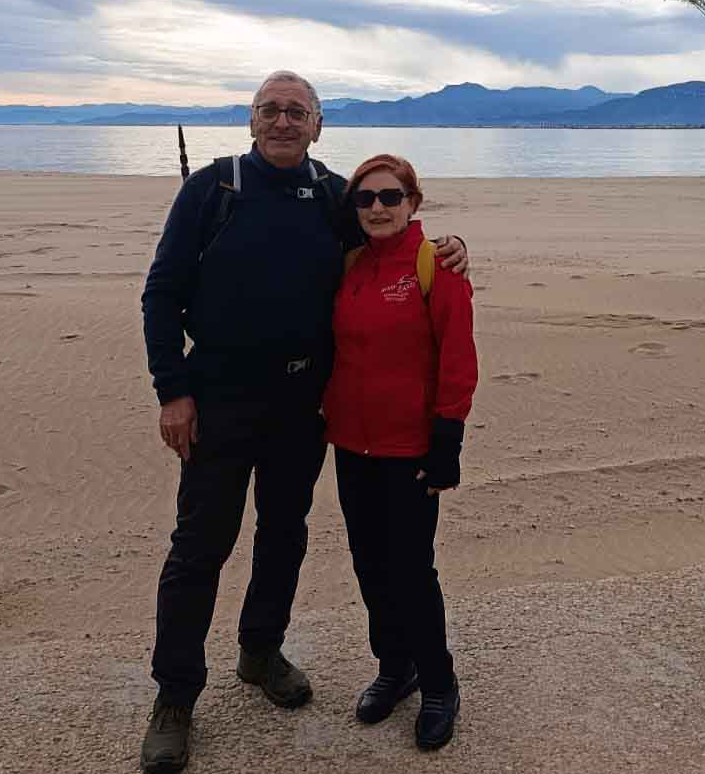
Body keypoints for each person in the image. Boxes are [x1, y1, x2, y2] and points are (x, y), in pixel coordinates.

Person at [138, 74, 467, 774]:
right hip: (219, 399)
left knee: (284, 533)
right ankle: (175, 697)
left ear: (318, 125)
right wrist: (173, 391)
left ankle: (260, 650)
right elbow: (162, 292)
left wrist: (450, 248)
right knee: (200, 547)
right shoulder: (212, 189)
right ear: (251, 121)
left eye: (297, 112)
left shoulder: (332, 196)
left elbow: (391, 241)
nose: (283, 121)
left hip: (301, 405)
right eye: (270, 111)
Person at [322, 153, 478, 751]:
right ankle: (396, 667)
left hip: (409, 447)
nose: (378, 208)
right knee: (369, 565)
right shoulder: (351, 263)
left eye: (390, 197)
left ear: (413, 202)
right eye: (365, 199)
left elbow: (458, 358)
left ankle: (439, 683)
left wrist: (448, 442)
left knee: (412, 570)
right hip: (351, 443)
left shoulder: (435, 264)